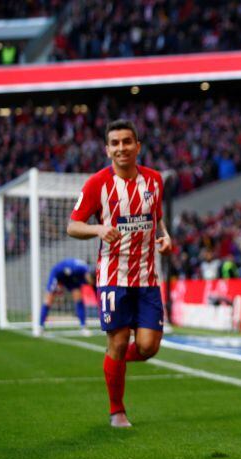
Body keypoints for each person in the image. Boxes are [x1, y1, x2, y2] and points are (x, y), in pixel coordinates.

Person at [67, 119, 172, 428]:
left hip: (147, 278)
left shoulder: (154, 180)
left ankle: (112, 364)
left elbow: (158, 220)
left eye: (127, 141)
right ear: (107, 149)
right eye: (115, 143)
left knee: (148, 347)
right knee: (118, 340)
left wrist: (164, 237)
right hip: (113, 277)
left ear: (137, 146)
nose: (121, 148)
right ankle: (117, 410)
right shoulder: (97, 183)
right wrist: (99, 228)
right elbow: (72, 225)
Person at [40, 257, 94, 335]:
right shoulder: (77, 268)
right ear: (89, 275)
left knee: (79, 299)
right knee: (48, 300)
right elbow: (61, 271)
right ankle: (40, 326)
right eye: (92, 279)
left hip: (70, 278)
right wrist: (58, 286)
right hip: (58, 274)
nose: (91, 282)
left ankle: (83, 326)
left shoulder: (85, 275)